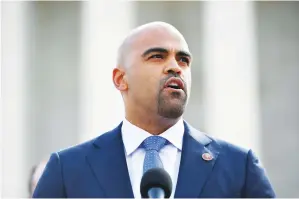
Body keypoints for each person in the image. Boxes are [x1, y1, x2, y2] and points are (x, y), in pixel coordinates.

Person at [33, 21, 276, 198]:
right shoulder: (67, 170)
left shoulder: (238, 167)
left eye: (183, 60)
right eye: (157, 56)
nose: (175, 67)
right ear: (120, 79)